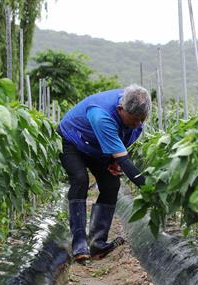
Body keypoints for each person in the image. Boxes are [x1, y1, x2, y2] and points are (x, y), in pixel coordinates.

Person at [57, 84, 151, 262]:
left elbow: (120, 147)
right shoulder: (102, 115)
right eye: (135, 119)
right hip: (73, 141)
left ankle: (97, 243)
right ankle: (79, 244)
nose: (139, 124)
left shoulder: (134, 110)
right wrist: (150, 189)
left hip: (97, 147)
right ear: (120, 109)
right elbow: (125, 160)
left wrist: (114, 160)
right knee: (80, 179)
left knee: (111, 184)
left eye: (142, 119)